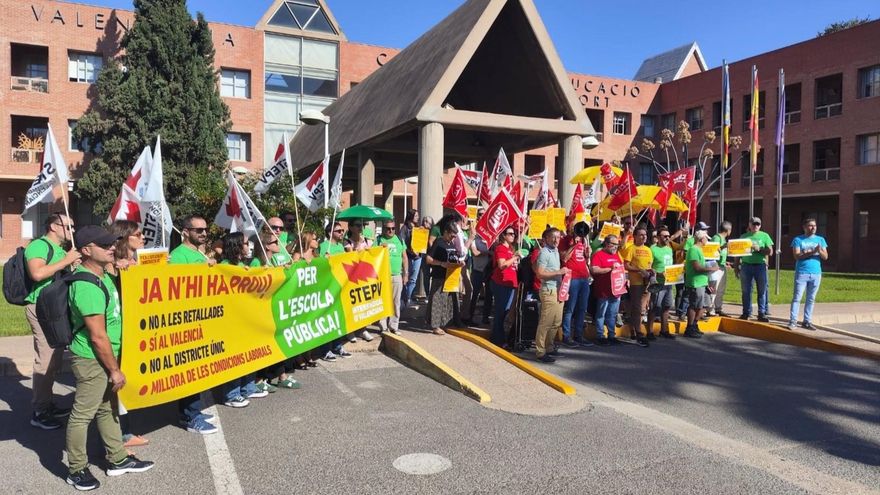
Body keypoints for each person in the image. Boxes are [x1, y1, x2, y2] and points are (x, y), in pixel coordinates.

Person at [65, 225, 154, 490]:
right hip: (93, 358)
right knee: (82, 415)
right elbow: (97, 337)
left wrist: (123, 266)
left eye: (111, 243)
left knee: (108, 409)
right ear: (85, 250)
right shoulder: (86, 285)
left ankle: (117, 459)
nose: (111, 247)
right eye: (104, 245)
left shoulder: (101, 273)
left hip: (105, 356)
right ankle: (76, 469)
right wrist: (114, 370)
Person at [24, 213, 81, 430]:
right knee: (46, 360)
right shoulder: (39, 246)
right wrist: (65, 261)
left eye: (73, 226)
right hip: (42, 308)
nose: (72, 231)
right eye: (68, 226)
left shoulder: (60, 250)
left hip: (55, 309)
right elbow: (37, 273)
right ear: (53, 226)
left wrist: (70, 264)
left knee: (55, 358)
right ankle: (39, 411)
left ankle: (47, 404)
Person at [169, 215, 218, 435]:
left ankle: (192, 409)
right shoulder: (178, 256)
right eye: (198, 230)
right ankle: (190, 416)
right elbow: (178, 286)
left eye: (205, 230)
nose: (204, 233)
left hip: (203, 319)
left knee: (198, 372)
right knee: (189, 371)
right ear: (185, 232)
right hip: (188, 322)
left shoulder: (199, 253)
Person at [106, 220, 149, 448]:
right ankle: (121, 436)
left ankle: (125, 431)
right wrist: (115, 266)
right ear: (124, 237)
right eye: (138, 234)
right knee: (117, 385)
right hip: (118, 332)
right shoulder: (112, 264)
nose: (143, 238)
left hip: (134, 332)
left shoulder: (137, 261)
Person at [218, 232, 266, 407]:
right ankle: (231, 394)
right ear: (236, 246)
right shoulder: (224, 266)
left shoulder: (244, 265)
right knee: (234, 358)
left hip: (246, 319)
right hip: (231, 321)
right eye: (245, 243)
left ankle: (248, 388)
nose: (249, 246)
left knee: (249, 355)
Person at [252, 230, 302, 389]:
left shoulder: (273, 260)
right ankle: (259, 379)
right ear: (266, 245)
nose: (278, 243)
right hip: (261, 312)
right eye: (275, 242)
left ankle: (282, 376)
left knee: (277, 343)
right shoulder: (256, 262)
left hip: (275, 309)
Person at [534, 228, 570, 362]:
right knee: (546, 322)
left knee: (556, 322)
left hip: (558, 291)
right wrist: (559, 272)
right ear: (546, 239)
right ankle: (540, 351)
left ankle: (549, 347)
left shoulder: (555, 251)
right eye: (553, 237)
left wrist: (564, 289)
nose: (556, 240)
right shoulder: (544, 253)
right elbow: (540, 273)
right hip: (548, 291)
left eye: (558, 237)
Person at [425, 219, 465, 335]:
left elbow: (453, 257)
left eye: (454, 236)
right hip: (439, 276)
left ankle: (446, 322)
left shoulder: (451, 244)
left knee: (448, 301)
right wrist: (441, 263)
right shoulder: (438, 242)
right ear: (446, 232)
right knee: (437, 300)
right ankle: (435, 326)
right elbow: (428, 259)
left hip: (450, 276)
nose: (453, 239)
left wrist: (459, 262)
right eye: (452, 236)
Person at [788, 218, 828, 330]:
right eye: (810, 225)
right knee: (797, 297)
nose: (813, 227)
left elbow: (825, 257)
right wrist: (812, 252)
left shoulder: (820, 240)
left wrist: (819, 251)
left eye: (814, 225)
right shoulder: (798, 240)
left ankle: (807, 321)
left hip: (816, 273)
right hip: (802, 272)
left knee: (811, 298)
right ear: (804, 227)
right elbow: (796, 256)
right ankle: (793, 321)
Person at [559, 221, 592, 347]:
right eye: (574, 228)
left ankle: (578, 335)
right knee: (570, 308)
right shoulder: (564, 240)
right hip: (571, 278)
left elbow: (584, 259)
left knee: (582, 308)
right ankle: (566, 336)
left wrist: (588, 254)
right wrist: (574, 244)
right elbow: (564, 258)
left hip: (584, 277)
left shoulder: (583, 241)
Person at [737, 217, 774, 322]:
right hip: (746, 265)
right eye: (753, 224)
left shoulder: (764, 236)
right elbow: (737, 253)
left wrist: (760, 249)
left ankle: (761, 313)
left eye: (758, 224)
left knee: (762, 290)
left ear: (760, 225)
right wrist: (736, 267)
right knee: (746, 290)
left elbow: (770, 252)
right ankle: (746, 312)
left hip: (760, 266)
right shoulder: (743, 237)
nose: (756, 226)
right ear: (749, 225)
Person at [684, 231, 719, 338]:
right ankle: (689, 327)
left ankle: (694, 324)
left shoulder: (699, 250)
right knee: (694, 305)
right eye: (706, 238)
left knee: (703, 305)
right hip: (695, 282)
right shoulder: (693, 250)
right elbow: (697, 267)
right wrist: (712, 268)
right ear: (701, 239)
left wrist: (707, 282)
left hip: (702, 282)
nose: (707, 240)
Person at [621, 226, 652, 347]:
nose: (644, 236)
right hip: (636, 283)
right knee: (637, 308)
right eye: (641, 234)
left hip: (647, 283)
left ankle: (634, 330)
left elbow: (649, 265)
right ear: (635, 236)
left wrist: (651, 272)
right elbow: (626, 265)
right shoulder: (631, 249)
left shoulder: (648, 250)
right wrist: (639, 270)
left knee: (642, 309)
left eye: (645, 234)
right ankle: (638, 332)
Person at [590, 235, 624, 346]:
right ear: (606, 244)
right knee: (601, 314)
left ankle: (611, 335)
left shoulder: (617, 255)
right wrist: (610, 269)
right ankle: (600, 335)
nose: (616, 247)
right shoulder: (598, 255)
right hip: (603, 290)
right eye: (614, 244)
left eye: (617, 244)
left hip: (615, 290)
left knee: (612, 314)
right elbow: (594, 269)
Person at [489, 228, 520, 346]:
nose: (513, 236)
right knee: (500, 312)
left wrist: (515, 261)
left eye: (514, 234)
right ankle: (498, 339)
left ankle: (497, 337)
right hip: (501, 283)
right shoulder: (500, 248)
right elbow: (502, 265)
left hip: (510, 283)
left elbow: (510, 264)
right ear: (504, 235)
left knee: (505, 311)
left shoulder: (510, 249)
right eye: (510, 234)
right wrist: (514, 258)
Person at [377, 220, 408, 335]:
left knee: (396, 302)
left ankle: (394, 326)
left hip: (396, 275)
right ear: (384, 229)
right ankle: (383, 326)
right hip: (383, 276)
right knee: (383, 301)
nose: (390, 231)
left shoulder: (399, 240)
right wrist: (380, 248)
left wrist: (406, 274)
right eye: (388, 228)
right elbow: (372, 254)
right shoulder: (379, 240)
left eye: (393, 228)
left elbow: (404, 257)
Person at [647, 225, 676, 339]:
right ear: (658, 237)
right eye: (664, 236)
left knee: (667, 306)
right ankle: (649, 331)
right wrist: (658, 273)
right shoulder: (652, 249)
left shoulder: (669, 249)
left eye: (668, 236)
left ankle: (664, 330)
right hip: (658, 283)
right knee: (655, 307)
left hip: (668, 283)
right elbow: (649, 266)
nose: (667, 238)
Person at [464, 220, 491, 326]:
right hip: (477, 271)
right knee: (474, 295)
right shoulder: (474, 240)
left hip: (488, 271)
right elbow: (475, 253)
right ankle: (469, 317)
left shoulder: (490, 241)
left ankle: (485, 318)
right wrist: (488, 252)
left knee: (489, 296)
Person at [709, 221, 732, 316]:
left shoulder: (723, 239)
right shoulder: (716, 238)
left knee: (721, 289)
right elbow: (713, 250)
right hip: (715, 267)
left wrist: (725, 262)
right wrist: (723, 246)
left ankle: (718, 308)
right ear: (728, 230)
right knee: (714, 288)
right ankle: (710, 309)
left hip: (722, 266)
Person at [399, 209, 421, 307]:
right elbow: (402, 243)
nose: (418, 217)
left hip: (417, 257)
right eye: (416, 216)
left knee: (413, 279)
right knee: (406, 278)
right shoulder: (404, 228)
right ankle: (404, 298)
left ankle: (408, 298)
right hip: (408, 257)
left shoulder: (418, 228)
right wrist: (410, 251)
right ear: (411, 216)